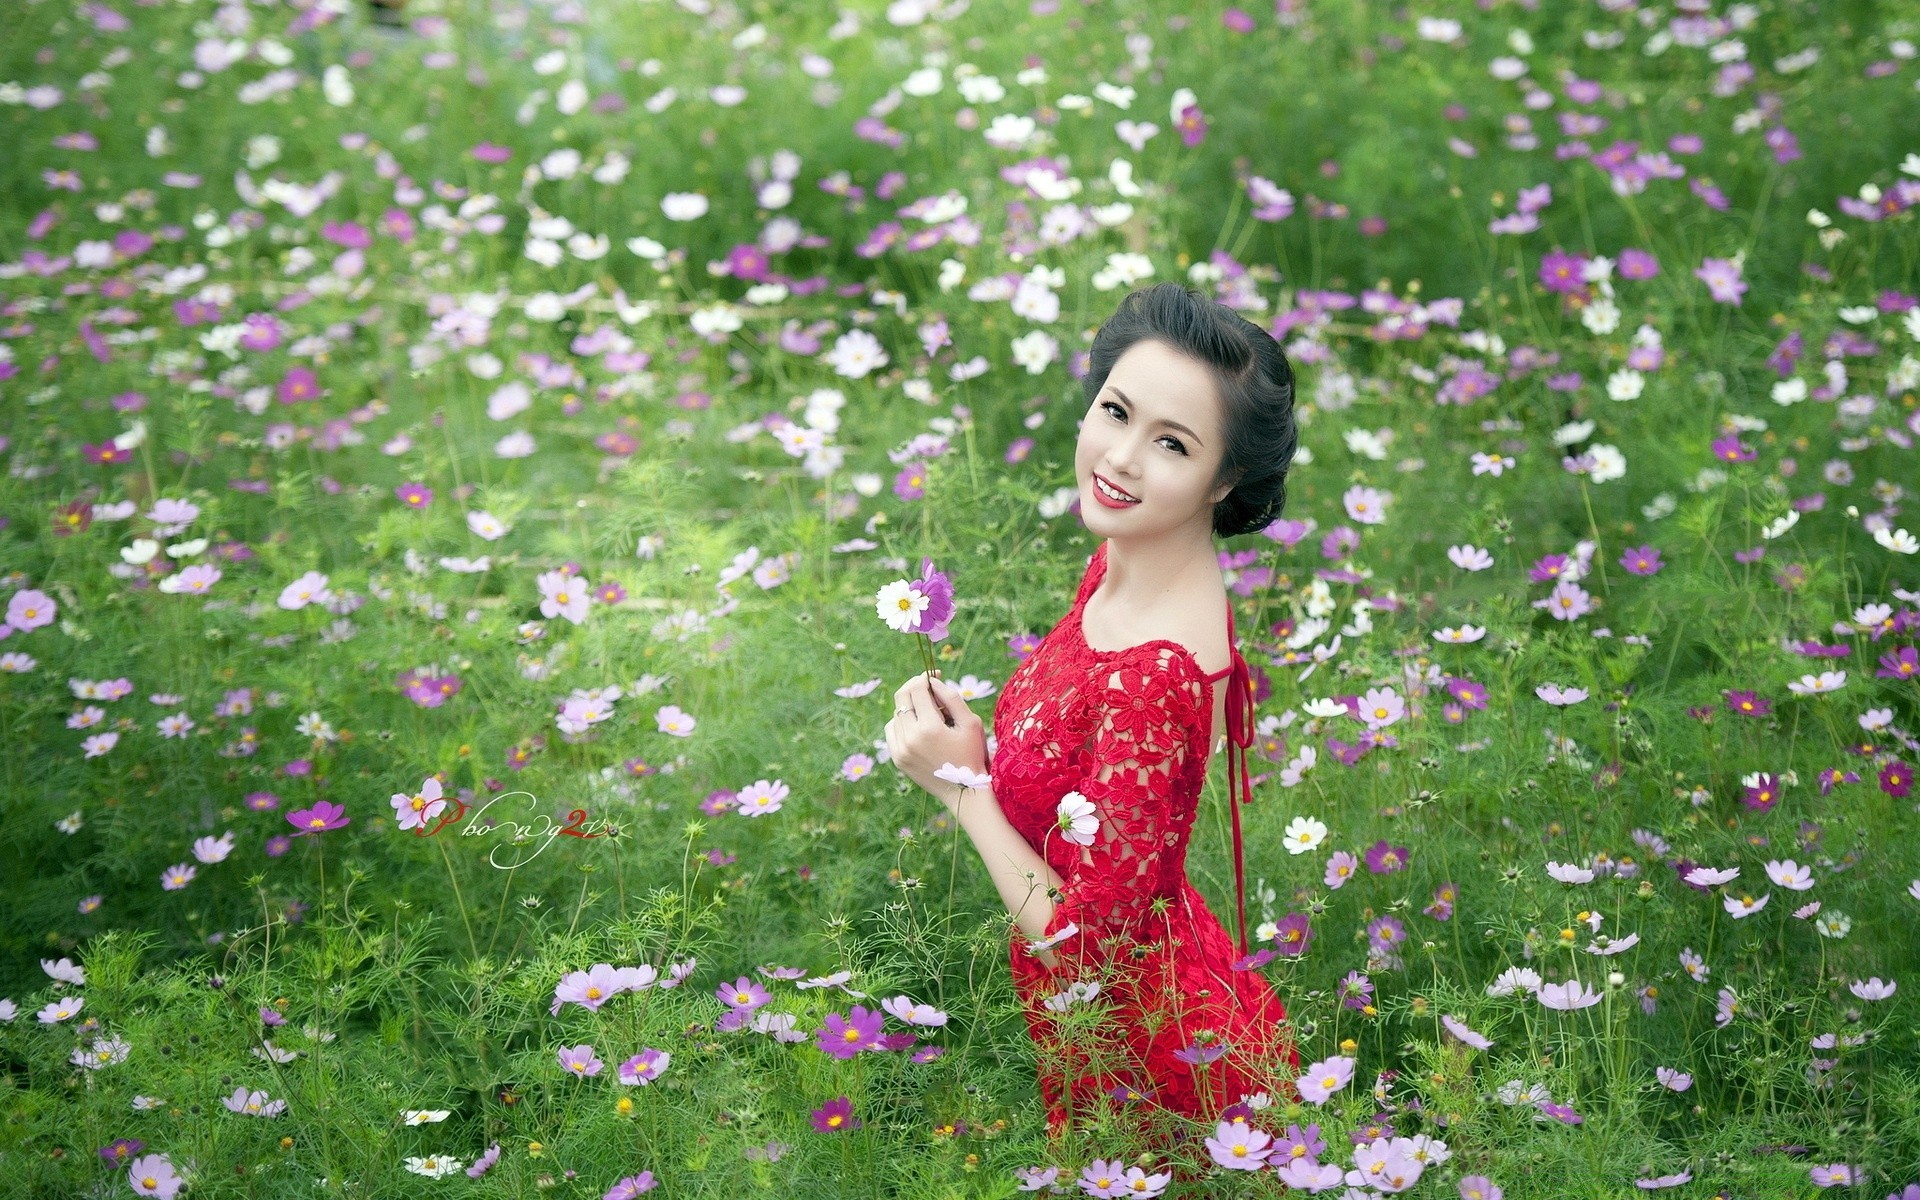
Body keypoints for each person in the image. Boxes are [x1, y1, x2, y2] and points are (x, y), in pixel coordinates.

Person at [884, 283, 1302, 1142]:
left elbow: (1091, 958)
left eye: (1173, 443)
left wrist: (965, 787)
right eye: (1115, 410)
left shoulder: (1157, 674)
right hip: (1110, 1040)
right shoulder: (1129, 556)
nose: (1120, 458)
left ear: (1224, 478)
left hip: (1158, 1076)